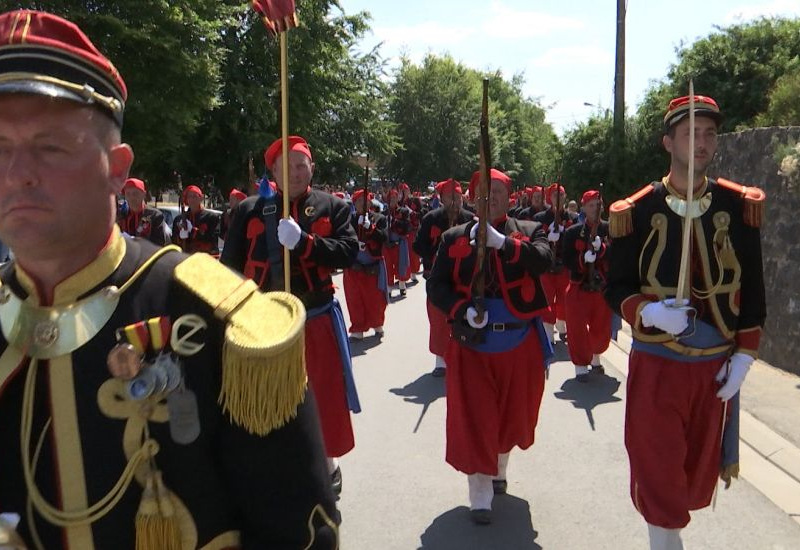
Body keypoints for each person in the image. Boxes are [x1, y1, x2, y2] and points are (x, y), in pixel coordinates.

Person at [0, 9, 339, 549]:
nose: (17, 173)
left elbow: (298, 534)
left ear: (117, 167)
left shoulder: (216, 317)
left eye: (49, 146)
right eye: (0, 148)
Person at [605, 94, 766, 550]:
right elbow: (615, 288)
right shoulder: (635, 210)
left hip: (715, 367)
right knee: (657, 469)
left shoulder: (738, 207)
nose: (702, 142)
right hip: (658, 362)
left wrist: (745, 358)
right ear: (667, 142)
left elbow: (752, 288)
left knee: (696, 475)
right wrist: (649, 312)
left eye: (710, 133)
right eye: (691, 133)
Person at [221, 135, 360, 496]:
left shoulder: (333, 207)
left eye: (301, 165)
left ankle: (326, 465)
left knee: (322, 397)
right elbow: (230, 266)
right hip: (262, 323)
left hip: (314, 318)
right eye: (287, 167)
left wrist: (305, 243)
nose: (295, 173)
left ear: (312, 168)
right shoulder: (250, 210)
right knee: (265, 398)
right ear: (273, 172)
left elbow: (347, 252)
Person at [427, 168, 553, 525]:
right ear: (472, 197)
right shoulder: (453, 237)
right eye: (483, 191)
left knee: (515, 415)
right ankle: (479, 490)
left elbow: (545, 259)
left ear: (509, 197)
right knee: (475, 417)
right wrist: (461, 309)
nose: (490, 197)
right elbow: (436, 286)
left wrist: (504, 244)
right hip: (473, 343)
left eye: (497, 191)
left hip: (519, 342)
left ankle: (499, 464)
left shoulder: (529, 231)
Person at [413, 178, 473, 377]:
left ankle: (465, 357)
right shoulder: (431, 218)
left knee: (464, 317)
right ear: (442, 199)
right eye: (450, 197)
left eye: (458, 197)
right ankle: (441, 361)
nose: (455, 201)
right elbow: (418, 245)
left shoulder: (471, 219)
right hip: (437, 277)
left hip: (464, 278)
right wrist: (436, 253)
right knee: (438, 319)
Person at [562, 190, 612, 381]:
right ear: (583, 208)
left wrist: (603, 250)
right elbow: (567, 259)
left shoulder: (609, 229)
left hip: (601, 289)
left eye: (597, 205)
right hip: (578, 287)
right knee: (576, 328)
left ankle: (596, 356)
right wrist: (583, 260)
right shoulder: (573, 232)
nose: (594, 209)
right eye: (591, 205)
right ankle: (581, 364)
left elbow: (617, 256)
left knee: (601, 326)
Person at [533, 183, 579, 343]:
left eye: (560, 195)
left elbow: (576, 241)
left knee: (563, 299)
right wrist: (547, 235)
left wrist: (564, 234)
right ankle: (547, 332)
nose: (557, 199)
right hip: (546, 265)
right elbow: (536, 239)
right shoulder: (540, 218)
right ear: (550, 198)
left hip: (564, 265)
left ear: (565, 197)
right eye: (554, 196)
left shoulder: (572, 218)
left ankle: (561, 324)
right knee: (546, 298)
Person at [343, 188, 389, 340]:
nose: (363, 204)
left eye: (366, 201)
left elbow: (384, 237)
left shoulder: (380, 218)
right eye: (359, 201)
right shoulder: (348, 219)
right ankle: (358, 327)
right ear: (354, 203)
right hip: (354, 265)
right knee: (354, 299)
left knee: (375, 299)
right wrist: (355, 243)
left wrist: (371, 228)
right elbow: (343, 237)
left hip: (372, 266)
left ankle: (377, 324)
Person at [116, 177, 169, 245]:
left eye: (135, 194)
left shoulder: (154, 215)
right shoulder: (121, 216)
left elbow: (159, 243)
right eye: (128, 194)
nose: (131, 198)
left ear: (144, 194)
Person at [171, 185, 220, 255]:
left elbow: (212, 240)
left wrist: (193, 231)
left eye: (194, 196)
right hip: (185, 257)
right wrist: (180, 234)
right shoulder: (179, 219)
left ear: (201, 198)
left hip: (205, 258)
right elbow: (174, 242)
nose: (192, 199)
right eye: (189, 197)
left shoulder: (211, 217)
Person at [384, 188, 412, 296]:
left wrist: (397, 223)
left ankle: (402, 285)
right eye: (391, 198)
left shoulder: (403, 211)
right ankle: (389, 287)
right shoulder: (384, 212)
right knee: (388, 265)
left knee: (402, 263)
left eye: (395, 198)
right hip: (387, 243)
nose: (393, 200)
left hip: (400, 242)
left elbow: (408, 226)